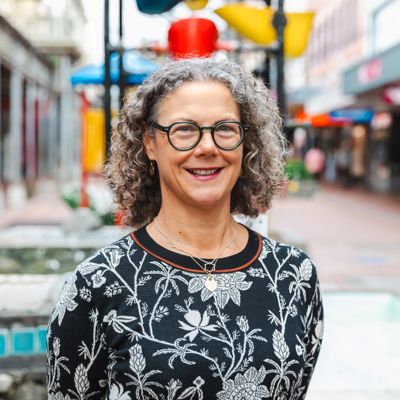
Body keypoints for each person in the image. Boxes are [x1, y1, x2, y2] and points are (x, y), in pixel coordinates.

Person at [46, 57, 324, 400]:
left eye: (225, 128)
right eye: (184, 130)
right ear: (150, 143)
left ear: (245, 142)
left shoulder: (294, 275)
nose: (207, 147)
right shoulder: (98, 284)